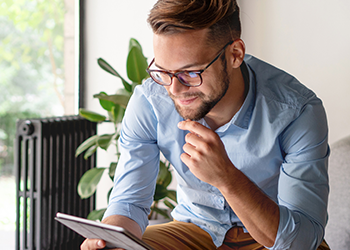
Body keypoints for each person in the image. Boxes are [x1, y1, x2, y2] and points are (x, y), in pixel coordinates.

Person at [81, 0, 330, 249]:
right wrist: (109, 239)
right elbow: (130, 203)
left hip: (269, 235)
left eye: (190, 72)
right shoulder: (150, 102)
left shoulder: (297, 111)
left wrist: (227, 178)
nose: (174, 89)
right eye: (163, 71)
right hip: (193, 230)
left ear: (235, 54)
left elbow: (301, 241)